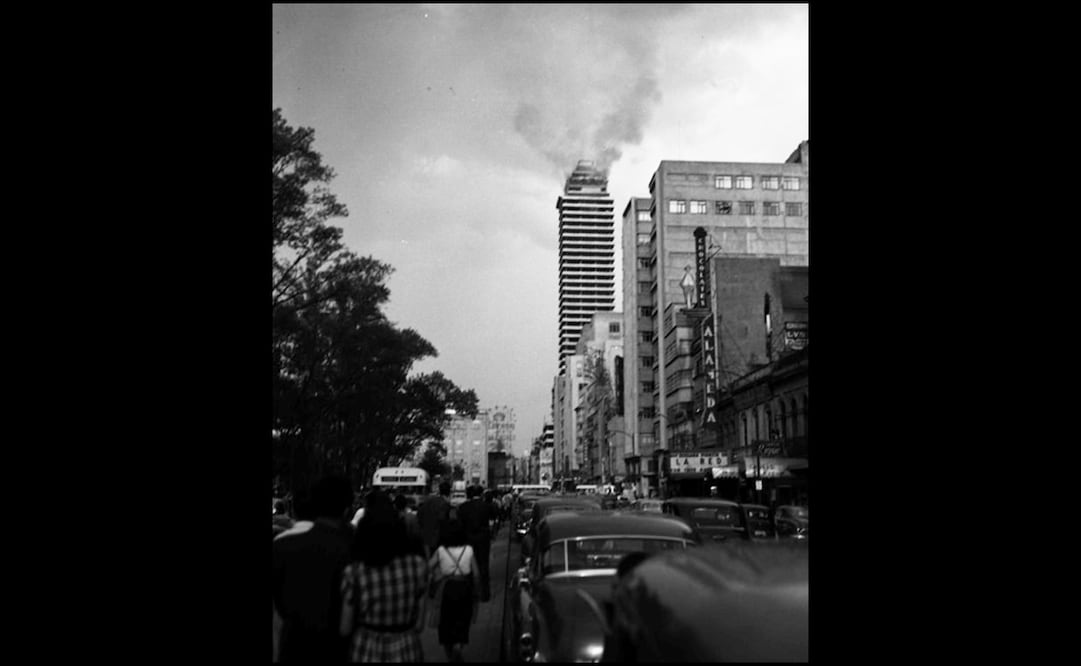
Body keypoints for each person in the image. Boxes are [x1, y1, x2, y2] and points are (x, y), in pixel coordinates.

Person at [339, 489, 429, 662]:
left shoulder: (354, 572)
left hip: (366, 650)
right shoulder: (417, 566)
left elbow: (345, 627)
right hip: (407, 648)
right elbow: (418, 625)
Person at [273, 476, 356, 662]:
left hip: (293, 645)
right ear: (347, 510)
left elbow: (278, 601)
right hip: (337, 649)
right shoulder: (354, 548)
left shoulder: (282, 546)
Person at [428, 518, 482, 662]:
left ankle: (450, 653)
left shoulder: (441, 550)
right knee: (463, 620)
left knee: (445, 623)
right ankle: (459, 646)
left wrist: (435, 575)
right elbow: (476, 574)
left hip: (446, 589)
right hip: (464, 588)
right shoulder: (468, 549)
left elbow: (428, 567)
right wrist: (476, 593)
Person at [456, 485, 494, 601]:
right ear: (481, 494)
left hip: (468, 538)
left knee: (468, 565)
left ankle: (470, 593)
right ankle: (485, 594)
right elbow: (491, 522)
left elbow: (460, 525)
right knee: (484, 565)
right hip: (483, 538)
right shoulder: (486, 506)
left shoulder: (463, 507)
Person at [416, 481, 452, 556]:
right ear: (449, 492)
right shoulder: (445, 505)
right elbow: (443, 522)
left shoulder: (429, 501)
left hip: (425, 538)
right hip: (437, 540)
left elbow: (419, 515)